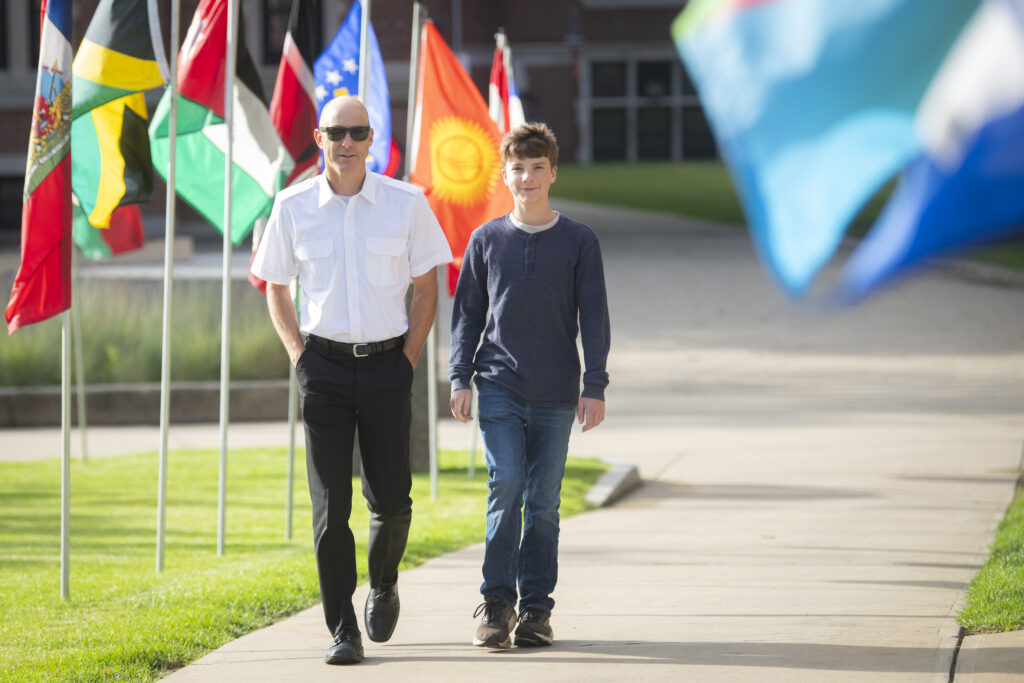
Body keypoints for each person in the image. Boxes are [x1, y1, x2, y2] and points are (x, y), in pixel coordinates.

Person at [251, 95, 452, 665]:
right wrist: (299, 356)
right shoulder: (292, 207)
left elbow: (428, 286)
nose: (346, 142)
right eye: (336, 132)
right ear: (319, 138)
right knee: (330, 506)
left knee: (392, 501)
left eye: (357, 132)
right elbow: (276, 287)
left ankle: (383, 582)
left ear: (371, 139)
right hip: (324, 370)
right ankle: (342, 627)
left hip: (389, 365)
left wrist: (408, 358)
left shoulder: (406, 204)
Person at [449, 122, 610, 649]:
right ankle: (497, 603)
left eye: (538, 167)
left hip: (558, 391)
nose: (528, 177)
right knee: (508, 485)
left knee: (542, 500)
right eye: (518, 167)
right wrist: (460, 375)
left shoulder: (579, 241)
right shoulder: (486, 240)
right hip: (498, 383)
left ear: (553, 173)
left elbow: (595, 316)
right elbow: (468, 315)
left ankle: (537, 610)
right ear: (505, 173)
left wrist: (595, 384)